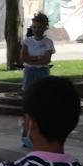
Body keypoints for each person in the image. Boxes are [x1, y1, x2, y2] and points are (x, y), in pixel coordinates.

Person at [20, 12, 55, 148]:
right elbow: (23, 58)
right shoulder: (27, 41)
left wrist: (33, 59)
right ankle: (26, 135)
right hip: (30, 72)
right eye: (34, 27)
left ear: (45, 27)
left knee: (42, 103)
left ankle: (41, 135)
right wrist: (37, 59)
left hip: (42, 72)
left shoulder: (48, 42)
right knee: (28, 103)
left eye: (39, 27)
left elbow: (46, 59)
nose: (36, 30)